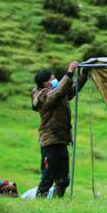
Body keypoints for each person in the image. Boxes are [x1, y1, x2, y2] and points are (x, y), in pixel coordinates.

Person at [31, 61, 87, 198]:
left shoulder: (57, 93)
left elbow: (72, 90)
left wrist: (84, 75)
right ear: (45, 84)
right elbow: (58, 93)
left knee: (63, 180)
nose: (55, 80)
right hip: (50, 142)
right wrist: (69, 72)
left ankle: (56, 202)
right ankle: (40, 204)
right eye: (52, 78)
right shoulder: (43, 96)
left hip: (61, 140)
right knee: (47, 178)